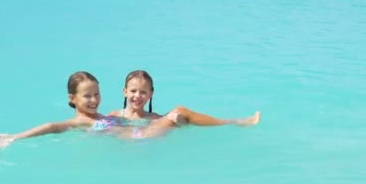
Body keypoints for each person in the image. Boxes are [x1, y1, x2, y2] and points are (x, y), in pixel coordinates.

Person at [0, 71, 123, 148]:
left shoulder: (102, 117)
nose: (94, 100)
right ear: (72, 98)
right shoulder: (79, 122)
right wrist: (15, 137)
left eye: (96, 94)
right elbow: (52, 126)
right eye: (87, 96)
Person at [108, 70, 261, 133]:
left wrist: (180, 121)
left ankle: (234, 122)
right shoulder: (115, 115)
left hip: (146, 139)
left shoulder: (154, 118)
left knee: (179, 113)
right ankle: (235, 121)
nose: (137, 96)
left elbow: (181, 127)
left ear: (151, 94)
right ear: (125, 92)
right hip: (134, 138)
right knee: (179, 110)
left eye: (143, 92)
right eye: (133, 91)